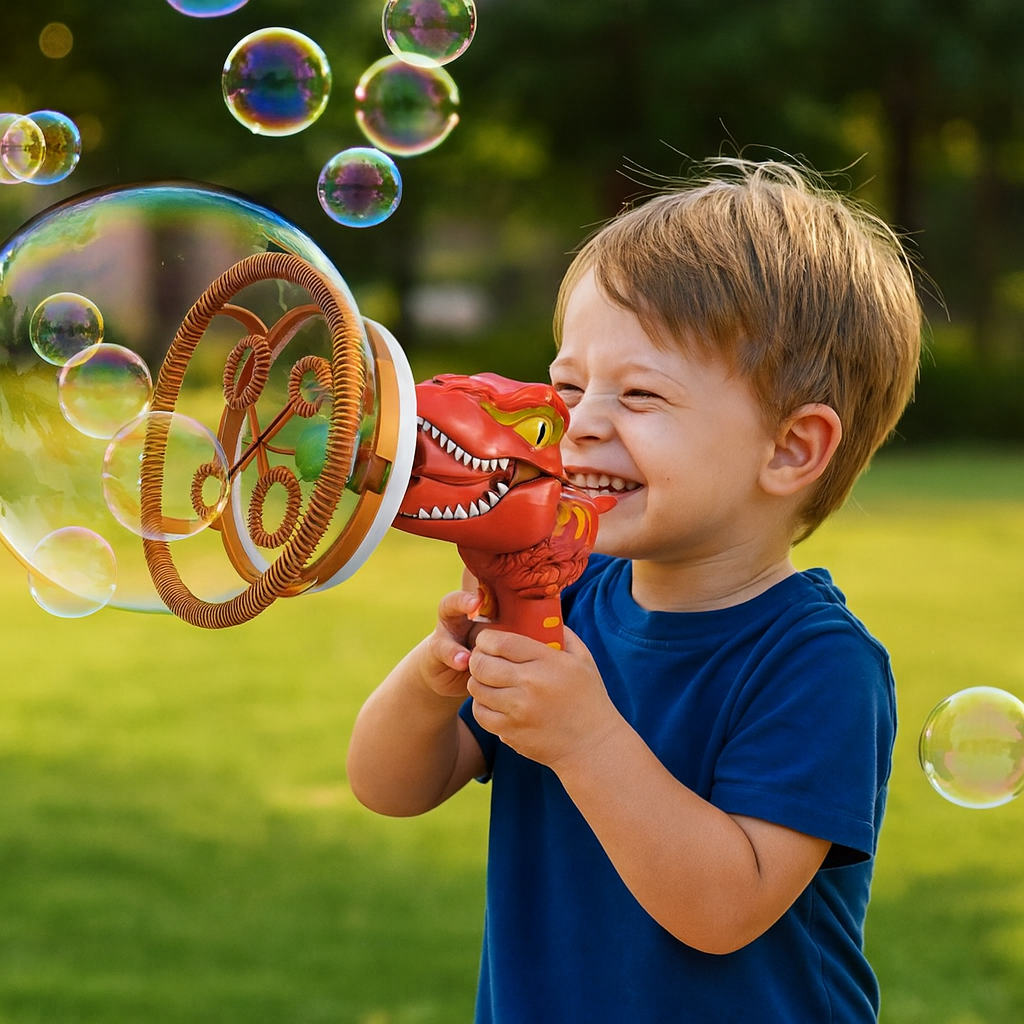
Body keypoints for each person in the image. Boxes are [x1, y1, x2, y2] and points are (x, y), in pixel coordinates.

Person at [346, 157, 922, 1023]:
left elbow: (724, 910)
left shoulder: (818, 664)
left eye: (641, 394)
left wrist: (585, 738)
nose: (578, 424)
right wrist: (434, 680)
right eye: (569, 386)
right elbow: (388, 786)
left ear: (791, 449)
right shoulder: (565, 594)